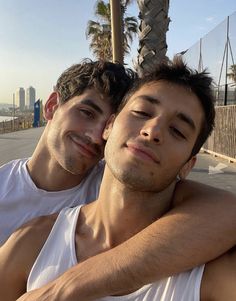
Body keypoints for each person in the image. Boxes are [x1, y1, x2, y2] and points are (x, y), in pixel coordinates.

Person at [1, 58, 236, 301]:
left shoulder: (210, 270)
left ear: (188, 165)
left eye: (177, 131)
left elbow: (230, 211)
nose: (153, 130)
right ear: (110, 127)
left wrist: (66, 287)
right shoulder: (32, 242)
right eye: (142, 112)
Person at [0, 59, 135, 245]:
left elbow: (187, 214)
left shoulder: (111, 191)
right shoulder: (3, 186)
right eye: (87, 113)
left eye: (109, 127)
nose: (97, 137)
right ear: (52, 106)